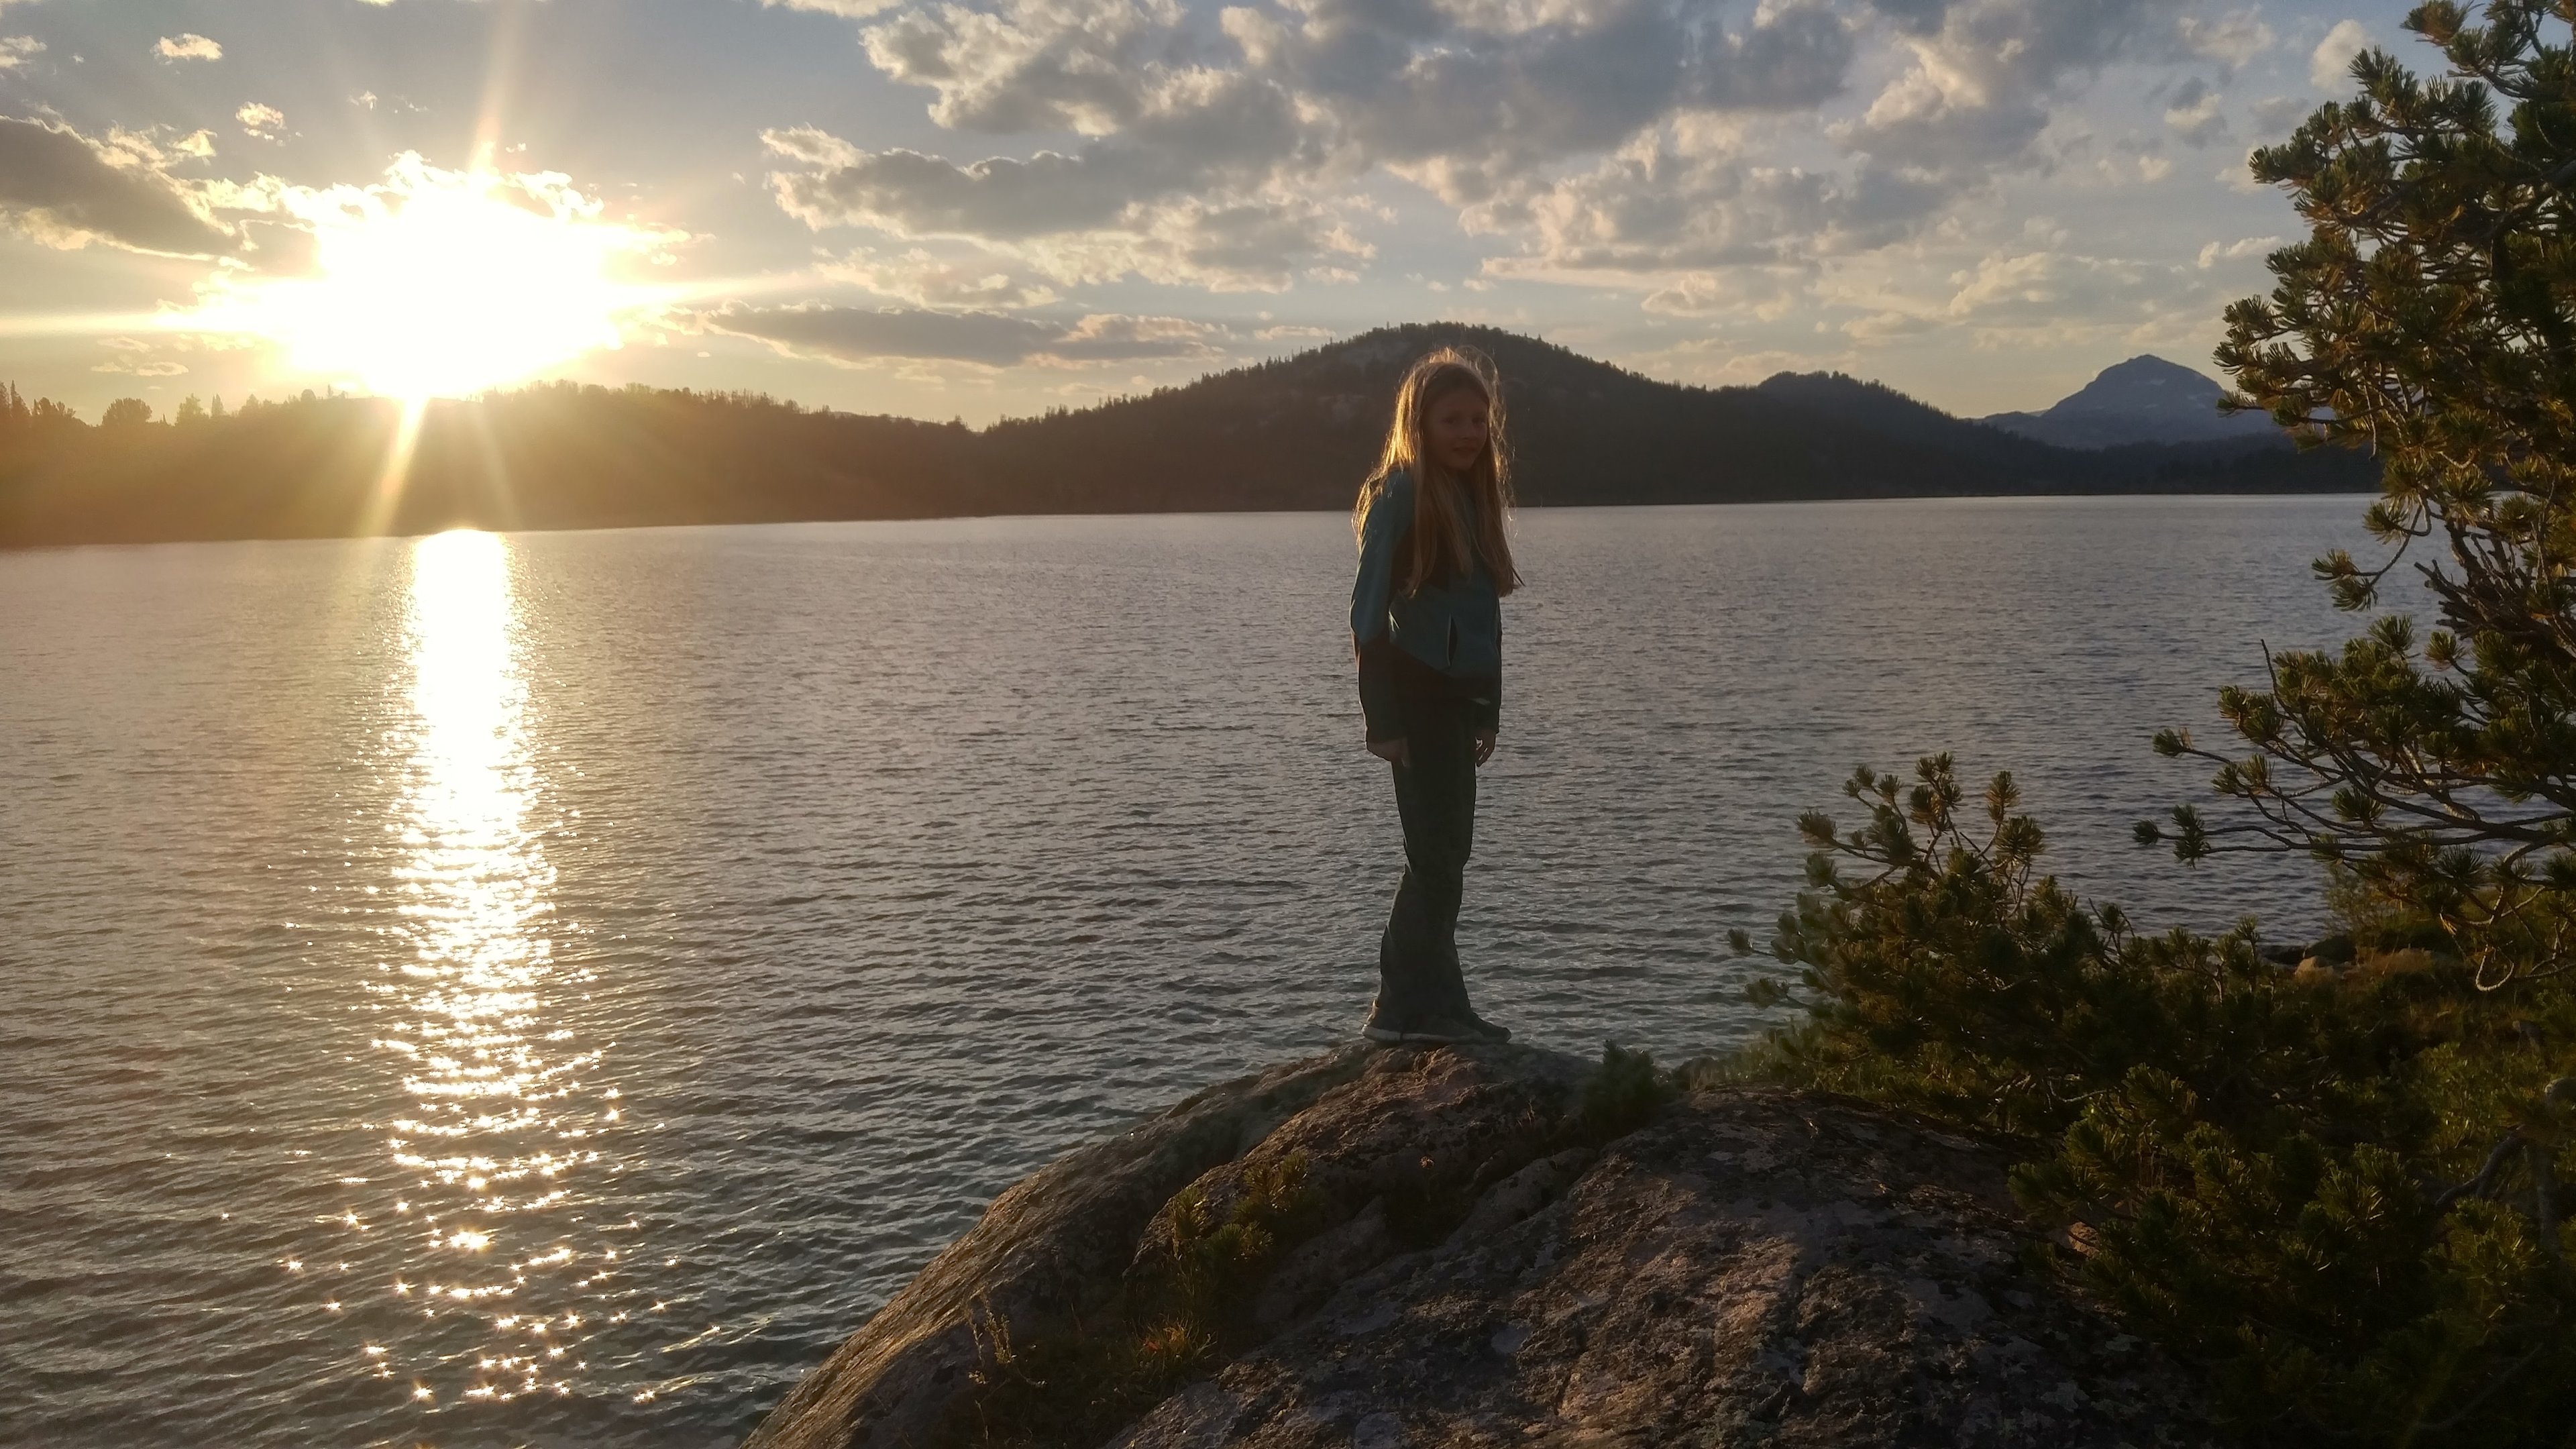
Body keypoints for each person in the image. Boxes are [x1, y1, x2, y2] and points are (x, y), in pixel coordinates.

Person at [1349, 347, 1521, 1046]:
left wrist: (1488, 710)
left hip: (1456, 704)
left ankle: (1441, 1008)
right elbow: (1366, 618)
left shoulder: (1473, 500)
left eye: (1479, 420)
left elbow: (1485, 622)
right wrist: (1382, 720)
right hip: (1413, 701)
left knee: (1450, 856)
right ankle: (1396, 1009)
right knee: (1435, 857)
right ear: (1418, 422)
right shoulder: (1399, 495)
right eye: (1452, 418)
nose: (1468, 432)